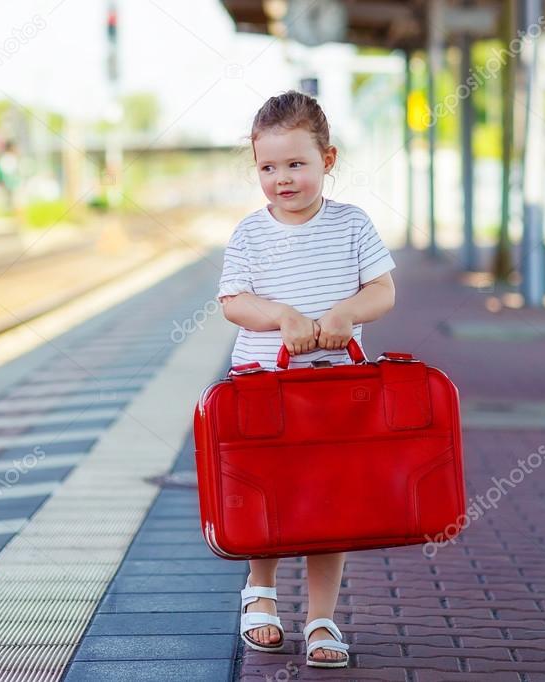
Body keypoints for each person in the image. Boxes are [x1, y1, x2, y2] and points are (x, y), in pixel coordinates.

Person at [216, 90, 397, 669]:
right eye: (269, 168)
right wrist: (280, 317)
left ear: (329, 160)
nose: (282, 179)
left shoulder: (352, 224)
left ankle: (321, 618)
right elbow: (233, 303)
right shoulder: (249, 233)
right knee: (266, 492)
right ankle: (261, 594)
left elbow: (383, 291)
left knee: (329, 500)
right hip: (263, 386)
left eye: (296, 164)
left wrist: (344, 314)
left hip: (335, 390)